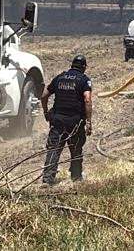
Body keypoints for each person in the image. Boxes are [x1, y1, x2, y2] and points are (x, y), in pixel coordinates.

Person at [40, 54, 94, 185]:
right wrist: (89, 121)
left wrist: (46, 112)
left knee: (54, 149)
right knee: (76, 149)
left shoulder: (60, 78)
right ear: (84, 67)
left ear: (72, 65)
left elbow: (44, 96)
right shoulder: (84, 80)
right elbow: (87, 100)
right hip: (75, 122)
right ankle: (76, 177)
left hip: (57, 120)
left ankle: (47, 179)